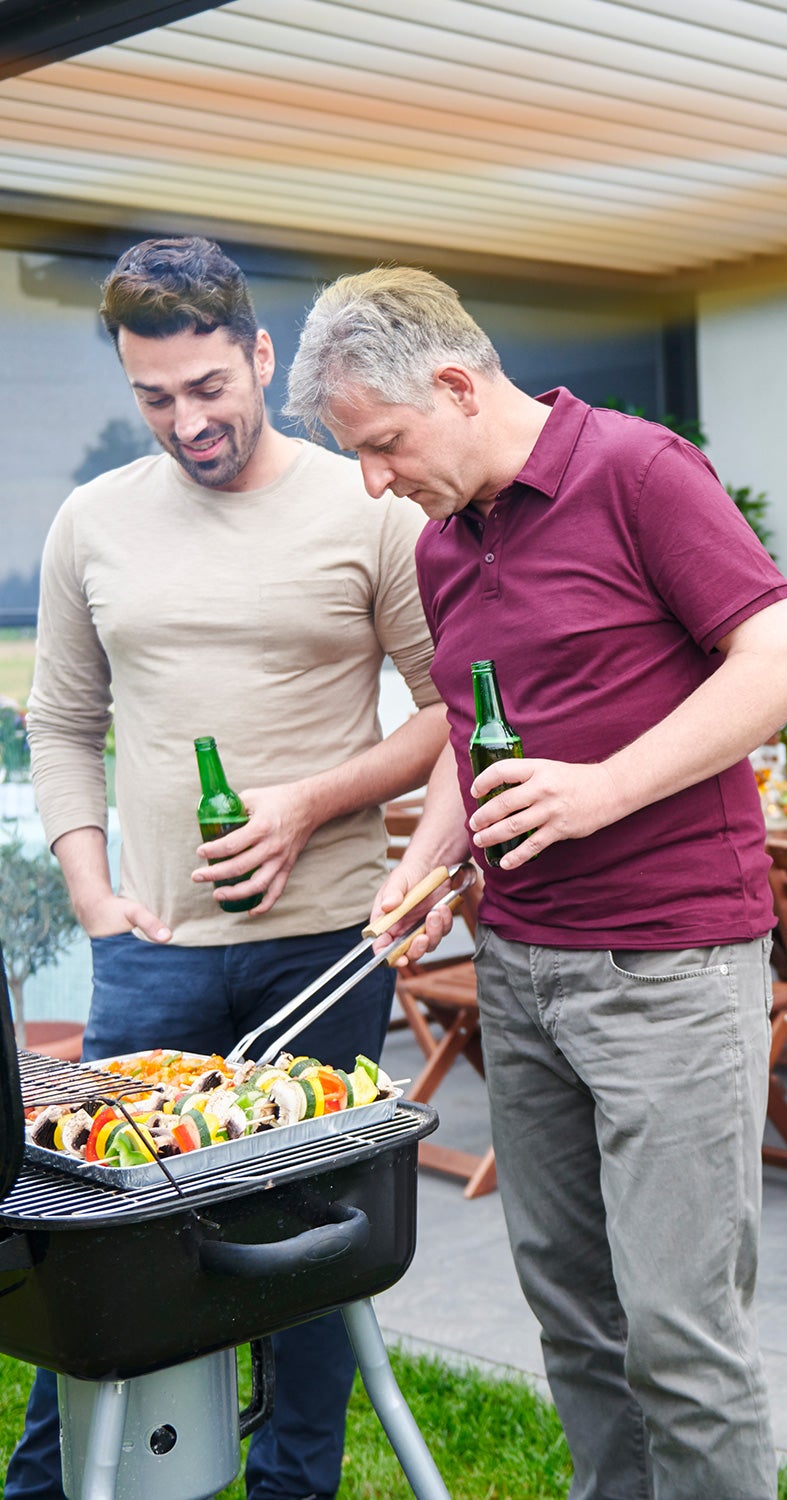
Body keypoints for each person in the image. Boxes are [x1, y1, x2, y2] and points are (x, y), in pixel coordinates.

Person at [283, 266, 787, 1500]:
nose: (374, 480)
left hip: (670, 970)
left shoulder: (640, 471)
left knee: (682, 1338)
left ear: (458, 385)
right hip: (520, 973)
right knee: (576, 1324)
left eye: (382, 445)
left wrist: (602, 789)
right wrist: (425, 869)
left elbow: (783, 661)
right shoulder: (439, 546)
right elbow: (479, 758)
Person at [15, 238, 448, 1500]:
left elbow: (443, 714)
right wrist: (94, 891)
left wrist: (313, 800)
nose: (186, 421)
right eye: (155, 397)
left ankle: (293, 1486)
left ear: (261, 355)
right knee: (106, 1260)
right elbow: (59, 720)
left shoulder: (366, 500)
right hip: (149, 953)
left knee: (311, 1252)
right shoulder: (92, 516)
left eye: (208, 387)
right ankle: (50, 1484)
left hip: (326, 944)